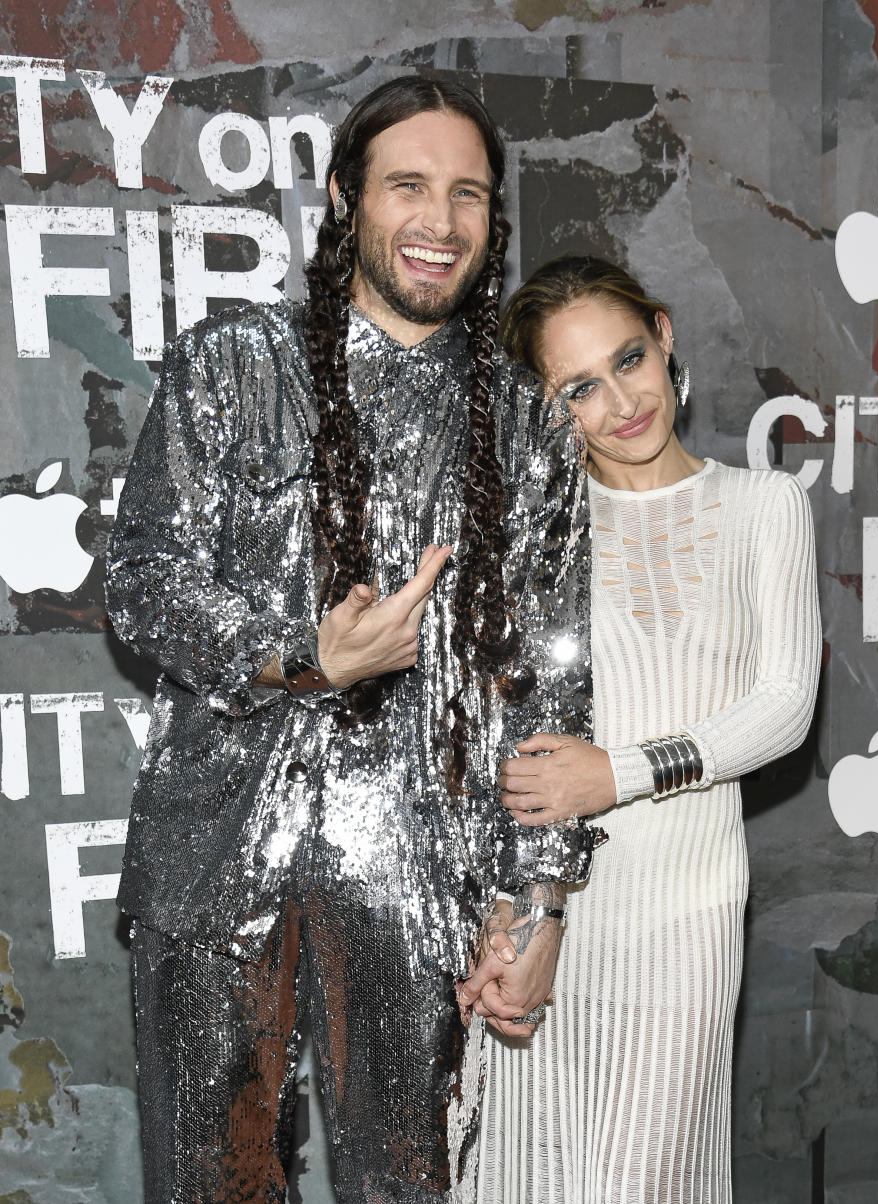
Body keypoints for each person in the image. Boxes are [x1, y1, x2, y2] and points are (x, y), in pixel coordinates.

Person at [105, 79, 601, 1204]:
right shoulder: (233, 365)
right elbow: (143, 579)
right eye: (409, 186)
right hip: (213, 853)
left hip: (416, 866)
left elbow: (548, 689)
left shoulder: (525, 422)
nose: (440, 221)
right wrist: (303, 656)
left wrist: (538, 901)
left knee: (405, 1185)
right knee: (210, 1183)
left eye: (467, 193)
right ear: (345, 199)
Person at [464, 256, 821, 1203]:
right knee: (521, 1174)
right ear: (545, 406)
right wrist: (512, 912)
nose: (622, 401)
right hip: (545, 913)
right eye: (580, 386)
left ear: (664, 335)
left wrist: (616, 774)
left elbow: (784, 706)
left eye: (629, 359)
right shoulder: (533, 530)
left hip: (684, 912)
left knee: (641, 1180)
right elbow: (500, 741)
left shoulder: (763, 506)